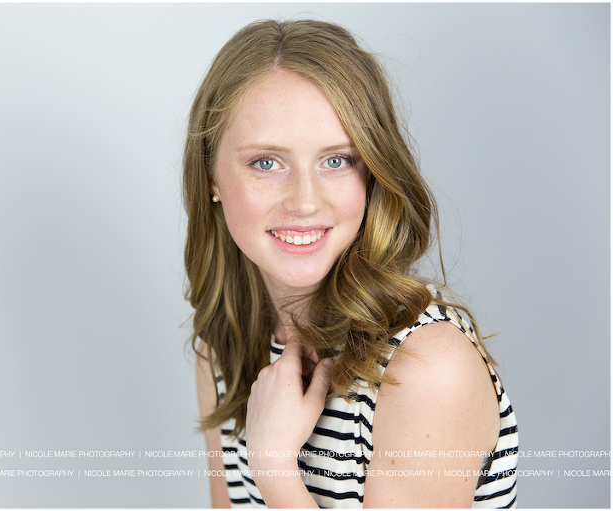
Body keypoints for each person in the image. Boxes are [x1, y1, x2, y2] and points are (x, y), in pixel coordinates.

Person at [183, 19, 518, 508]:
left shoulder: (424, 368)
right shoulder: (222, 348)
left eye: (336, 160)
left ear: (373, 171)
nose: (304, 202)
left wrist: (273, 467)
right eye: (266, 162)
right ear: (211, 175)